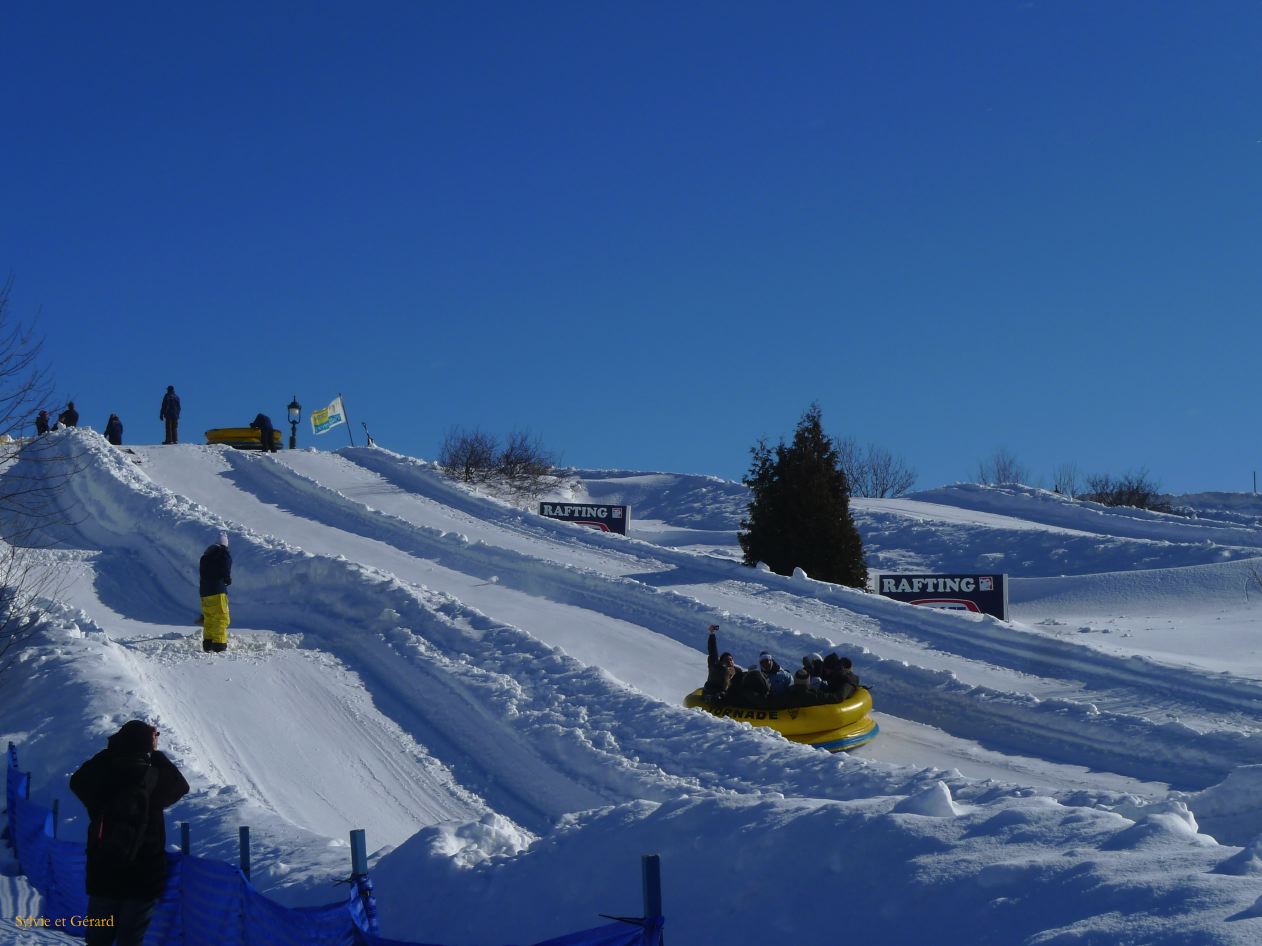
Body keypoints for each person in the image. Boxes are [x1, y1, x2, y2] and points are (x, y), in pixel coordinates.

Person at [69, 720, 189, 946]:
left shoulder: (102, 776)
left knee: (97, 939)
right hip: (144, 876)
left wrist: (112, 749)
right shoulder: (154, 778)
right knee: (131, 940)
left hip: (103, 872)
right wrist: (155, 753)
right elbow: (181, 786)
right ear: (147, 744)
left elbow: (77, 781)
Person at [199, 533, 232, 653]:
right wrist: (227, 580)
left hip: (204, 592)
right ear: (225, 544)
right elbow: (225, 569)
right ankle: (219, 645)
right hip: (217, 591)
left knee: (209, 617)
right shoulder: (223, 553)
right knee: (221, 617)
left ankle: (208, 644)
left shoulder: (205, 556)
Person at [703, 624, 743, 701]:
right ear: (721, 662)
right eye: (726, 660)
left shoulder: (737, 671)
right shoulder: (716, 667)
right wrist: (712, 634)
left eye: (731, 659)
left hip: (725, 695)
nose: (729, 661)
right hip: (711, 692)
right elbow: (712, 651)